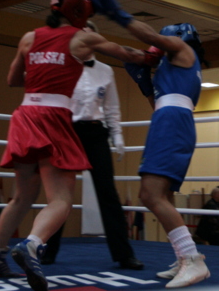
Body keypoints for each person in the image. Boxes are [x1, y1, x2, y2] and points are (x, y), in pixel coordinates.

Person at [0, 0, 144, 291]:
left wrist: (45, 73)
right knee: (62, 199)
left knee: (22, 196)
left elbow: (13, 80)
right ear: (79, 13)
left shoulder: (29, 37)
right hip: (55, 118)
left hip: (25, 115)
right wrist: (158, 54)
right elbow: (128, 54)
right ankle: (31, 245)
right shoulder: (81, 37)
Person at [90, 0, 210, 289]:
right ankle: (184, 258)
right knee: (163, 195)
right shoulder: (175, 68)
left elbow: (147, 36)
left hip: (172, 123)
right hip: (168, 120)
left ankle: (192, 259)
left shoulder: (182, 49)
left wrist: (117, 14)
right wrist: (145, 84)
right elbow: (158, 103)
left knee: (150, 194)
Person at [41, 21, 143, 270]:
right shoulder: (62, 65)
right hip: (67, 131)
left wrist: (117, 136)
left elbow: (112, 107)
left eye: (89, 34)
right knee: (60, 195)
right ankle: (47, 250)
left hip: (96, 133)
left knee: (108, 193)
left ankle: (124, 254)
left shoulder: (106, 71)